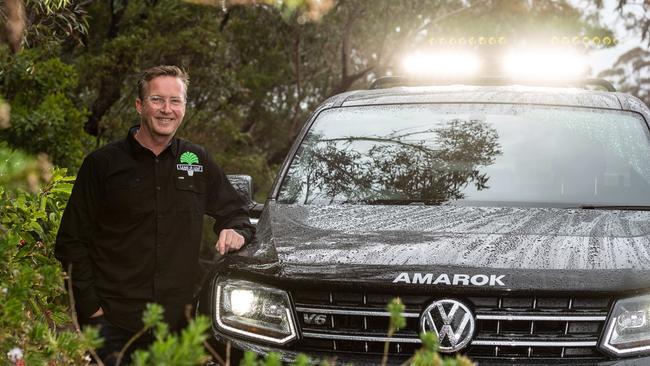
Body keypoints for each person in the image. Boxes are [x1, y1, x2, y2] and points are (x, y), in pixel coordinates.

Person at [55, 65, 255, 365]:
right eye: (157, 100)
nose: (167, 109)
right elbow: (71, 241)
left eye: (175, 101)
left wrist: (235, 229)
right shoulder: (102, 165)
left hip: (176, 329)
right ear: (139, 105)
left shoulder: (197, 161)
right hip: (114, 325)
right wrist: (92, 311)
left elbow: (236, 211)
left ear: (184, 107)